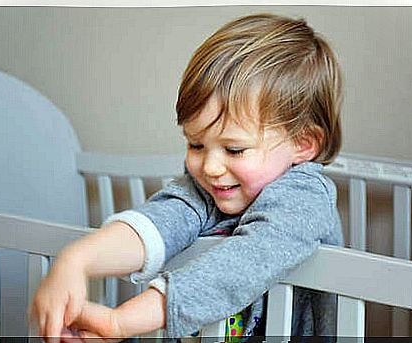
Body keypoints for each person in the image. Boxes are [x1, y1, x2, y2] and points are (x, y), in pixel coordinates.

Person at [30, 13, 344, 340]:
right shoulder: (211, 189)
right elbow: (160, 221)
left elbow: (244, 263)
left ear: (303, 144)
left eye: (234, 149)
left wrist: (120, 322)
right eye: (196, 144)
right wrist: (76, 259)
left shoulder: (306, 198)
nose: (210, 167)